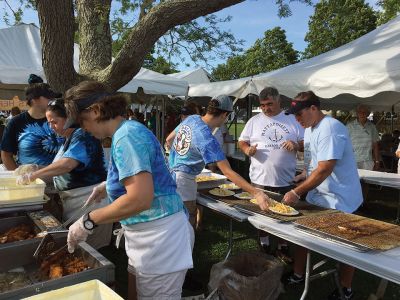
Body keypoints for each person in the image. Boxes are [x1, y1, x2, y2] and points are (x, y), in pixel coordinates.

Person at [64, 81, 193, 300]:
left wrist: (89, 220)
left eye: (81, 121)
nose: (82, 128)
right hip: (146, 236)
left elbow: (140, 199)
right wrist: (108, 185)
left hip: (159, 239)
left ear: (95, 111)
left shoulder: (126, 136)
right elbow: (145, 172)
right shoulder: (125, 131)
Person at [283, 91, 363, 300]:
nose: (297, 119)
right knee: (301, 235)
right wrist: (304, 175)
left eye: (299, 114)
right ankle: (299, 274)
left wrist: (296, 191)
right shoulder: (309, 129)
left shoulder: (330, 128)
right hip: (319, 196)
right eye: (294, 115)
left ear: (313, 108)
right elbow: (315, 163)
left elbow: (326, 168)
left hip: (341, 199)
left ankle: (345, 288)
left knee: (347, 246)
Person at [15, 98, 111, 249]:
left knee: (91, 250)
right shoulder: (68, 139)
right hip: (74, 201)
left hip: (90, 200)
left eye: (54, 122)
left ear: (69, 119)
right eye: (49, 122)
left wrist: (34, 175)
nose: (51, 126)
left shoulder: (83, 135)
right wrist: (35, 167)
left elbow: (67, 164)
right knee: (77, 245)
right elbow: (58, 166)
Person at [168, 94, 272, 229]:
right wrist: (256, 192)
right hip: (184, 181)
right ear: (224, 115)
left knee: (174, 217)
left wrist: (180, 155)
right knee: (186, 221)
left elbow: (169, 139)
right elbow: (227, 172)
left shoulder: (192, 118)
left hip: (170, 175)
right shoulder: (207, 139)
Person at [238, 86, 304, 256]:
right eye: (262, 105)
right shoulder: (254, 121)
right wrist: (247, 150)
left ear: (279, 101)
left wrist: (296, 145)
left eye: (269, 104)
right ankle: (264, 242)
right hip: (259, 179)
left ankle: (283, 245)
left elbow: (306, 142)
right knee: (262, 214)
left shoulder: (292, 119)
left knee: (284, 214)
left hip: (286, 179)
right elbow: (242, 141)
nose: (266, 108)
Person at [0, 83, 63, 170]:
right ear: (34, 100)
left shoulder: (59, 119)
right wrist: (17, 176)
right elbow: (6, 155)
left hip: (61, 179)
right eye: (49, 97)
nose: (53, 101)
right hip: (31, 181)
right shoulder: (16, 122)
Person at [346, 104, 380, 171]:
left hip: (368, 160)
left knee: (368, 180)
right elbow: (344, 144)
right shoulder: (349, 126)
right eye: (360, 112)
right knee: (354, 180)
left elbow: (375, 145)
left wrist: (377, 161)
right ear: (357, 113)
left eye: (365, 112)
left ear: (368, 114)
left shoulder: (372, 127)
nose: (362, 114)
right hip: (353, 160)